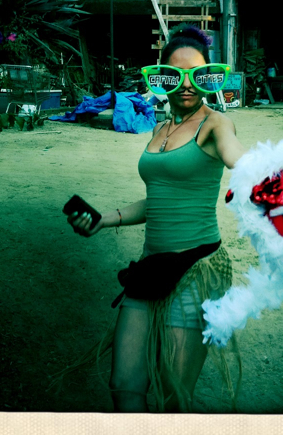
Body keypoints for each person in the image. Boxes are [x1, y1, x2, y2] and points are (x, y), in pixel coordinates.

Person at [66, 23, 246, 413]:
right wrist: (104, 219)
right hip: (150, 269)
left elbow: (237, 156)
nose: (186, 84)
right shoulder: (160, 128)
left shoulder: (216, 123)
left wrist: (262, 172)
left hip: (195, 271)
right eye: (174, 75)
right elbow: (160, 201)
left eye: (197, 75)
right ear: (161, 79)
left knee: (172, 395)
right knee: (124, 386)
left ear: (209, 77)